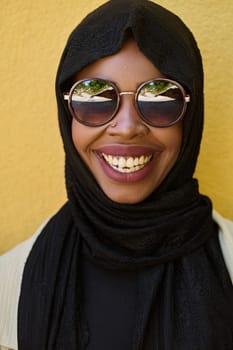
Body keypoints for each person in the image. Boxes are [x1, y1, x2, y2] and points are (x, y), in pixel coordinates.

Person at [0, 0, 233, 349]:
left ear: (191, 115)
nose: (126, 129)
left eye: (160, 98)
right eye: (94, 98)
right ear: (68, 117)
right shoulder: (9, 281)